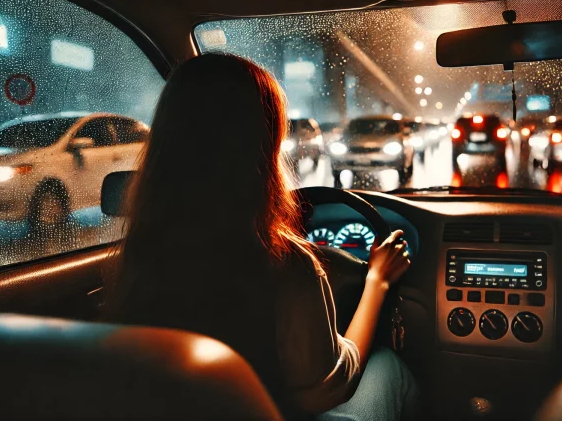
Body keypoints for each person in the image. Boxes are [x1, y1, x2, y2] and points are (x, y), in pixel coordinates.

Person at [105, 52, 419, 420]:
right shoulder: (287, 265)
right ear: (263, 145)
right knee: (388, 367)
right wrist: (377, 280)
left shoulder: (137, 256)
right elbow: (330, 388)